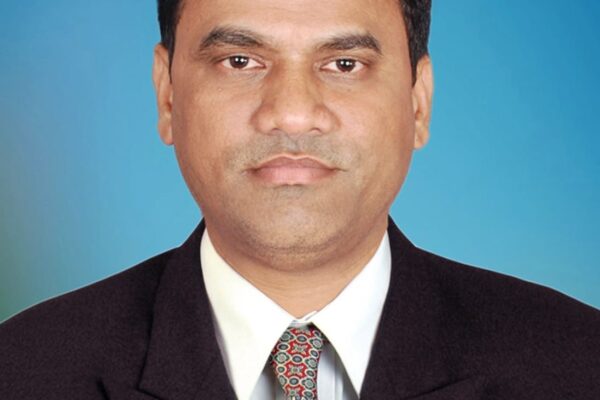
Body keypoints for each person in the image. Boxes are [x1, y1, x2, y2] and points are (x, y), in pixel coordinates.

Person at [1, 0, 598, 399]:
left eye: (344, 64)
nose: (290, 112)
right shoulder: (23, 371)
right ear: (167, 95)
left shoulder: (578, 364)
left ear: (418, 103)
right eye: (240, 61)